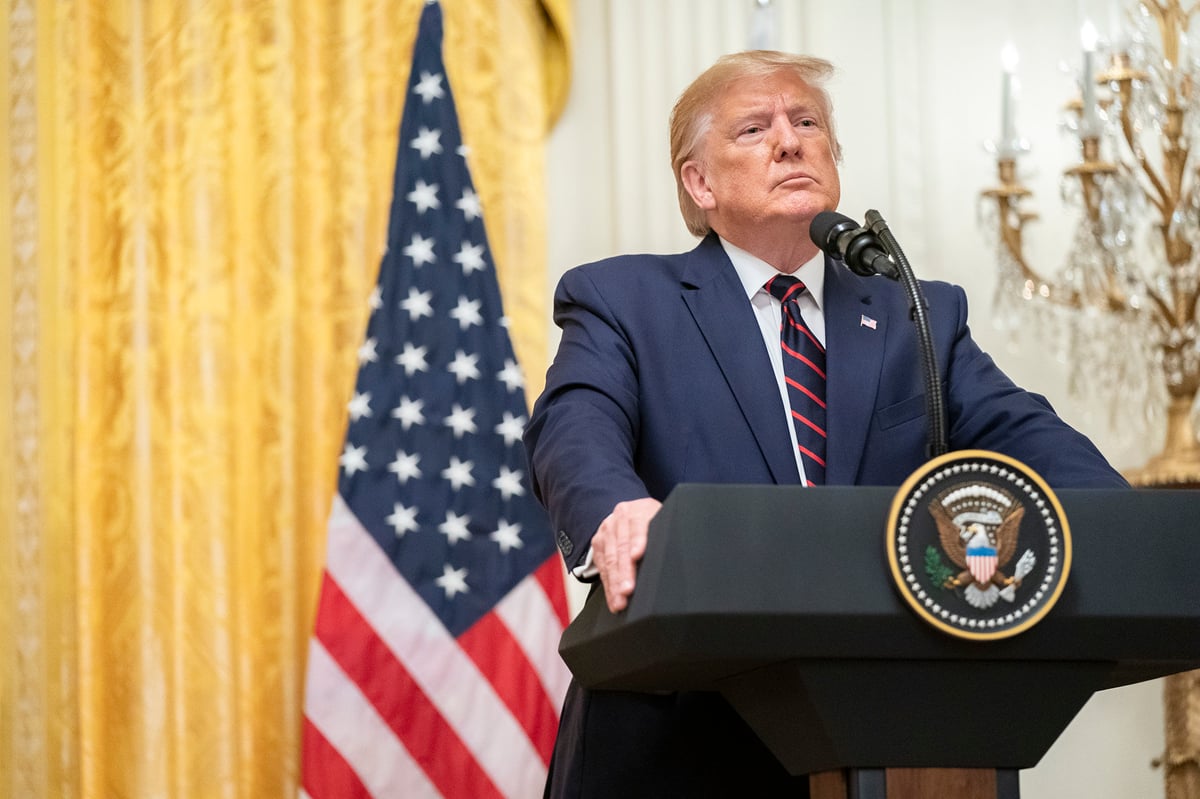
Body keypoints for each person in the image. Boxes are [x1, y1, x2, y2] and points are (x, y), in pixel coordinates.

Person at [523, 50, 1129, 798]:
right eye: (754, 128)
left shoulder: (918, 313)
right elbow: (573, 425)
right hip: (676, 743)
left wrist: (1122, 532)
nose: (790, 140)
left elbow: (1046, 451)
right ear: (699, 182)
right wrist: (615, 510)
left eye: (807, 122)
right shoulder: (623, 300)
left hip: (891, 740)